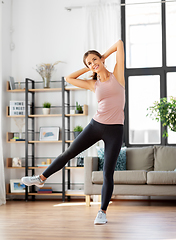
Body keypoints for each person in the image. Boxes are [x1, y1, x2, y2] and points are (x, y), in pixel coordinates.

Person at [21, 40, 125, 225]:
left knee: (107, 172)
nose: (93, 63)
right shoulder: (93, 84)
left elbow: (119, 44)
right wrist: (88, 69)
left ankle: (102, 212)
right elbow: (69, 78)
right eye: (89, 62)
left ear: (101, 59)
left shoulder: (117, 74)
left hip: (115, 130)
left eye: (95, 59)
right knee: (68, 153)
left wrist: (101, 58)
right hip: (96, 125)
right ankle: (41, 178)